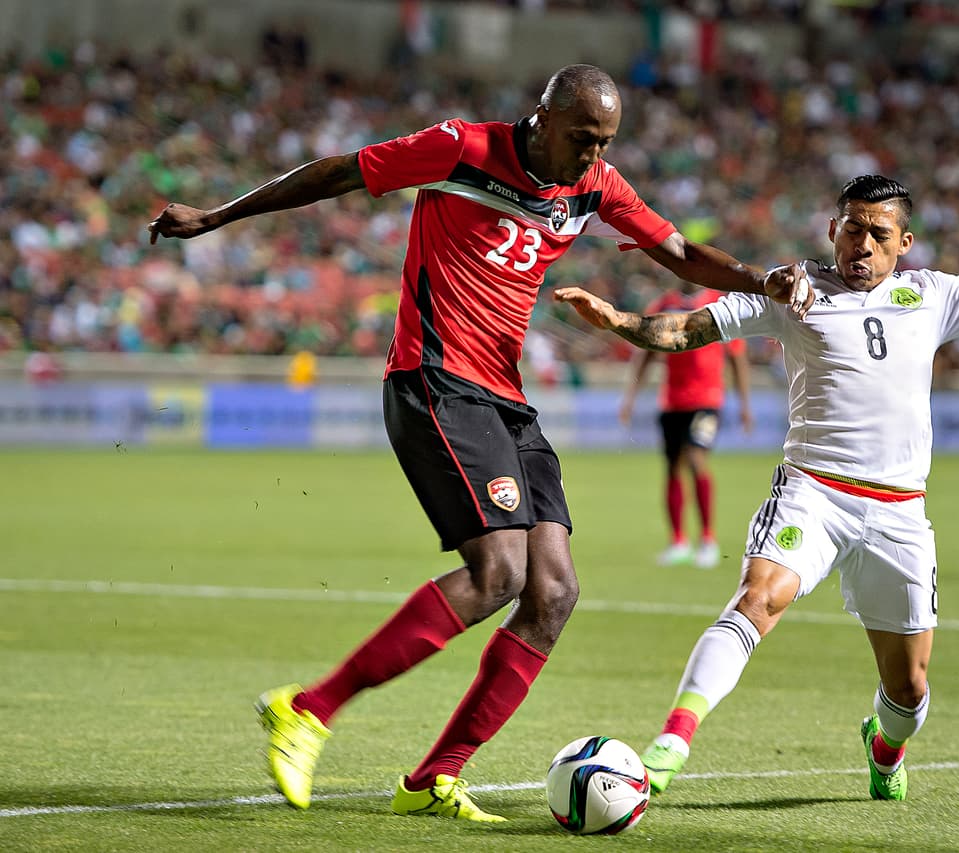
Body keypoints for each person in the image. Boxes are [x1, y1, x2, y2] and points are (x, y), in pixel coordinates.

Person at [148, 64, 812, 822]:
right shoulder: (460, 148)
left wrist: (761, 280)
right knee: (499, 570)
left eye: (604, 142)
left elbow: (680, 253)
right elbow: (337, 172)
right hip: (433, 381)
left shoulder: (594, 187)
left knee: (554, 590)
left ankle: (434, 775)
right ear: (544, 118)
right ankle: (307, 707)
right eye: (582, 138)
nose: (592, 156)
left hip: (504, 397)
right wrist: (217, 216)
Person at [554, 175, 959, 801]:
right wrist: (619, 321)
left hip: (899, 513)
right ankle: (671, 744)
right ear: (833, 229)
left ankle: (884, 747)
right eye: (851, 229)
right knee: (759, 597)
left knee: (909, 690)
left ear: (903, 243)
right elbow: (689, 330)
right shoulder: (792, 291)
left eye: (877, 234)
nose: (861, 244)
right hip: (813, 489)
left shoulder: (935, 295)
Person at [619, 281, 754, 569]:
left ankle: (708, 539)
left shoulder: (718, 305)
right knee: (672, 468)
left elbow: (737, 358)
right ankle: (678, 542)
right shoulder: (663, 306)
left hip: (707, 400)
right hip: (672, 401)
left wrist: (744, 404)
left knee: (696, 459)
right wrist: (630, 396)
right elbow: (645, 351)